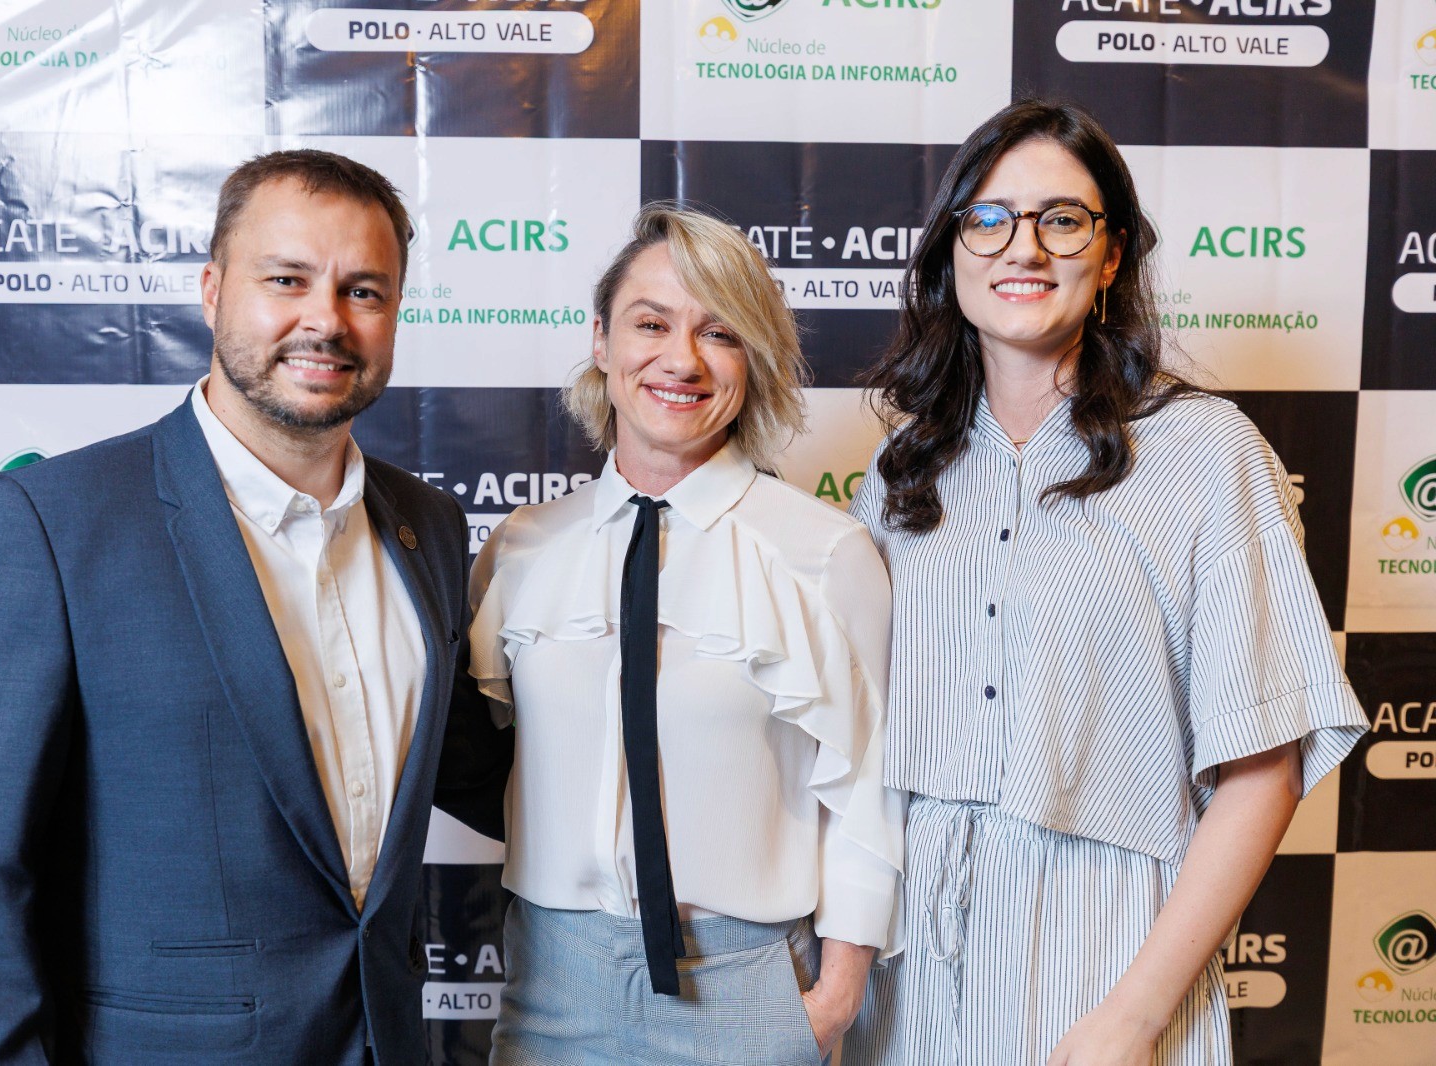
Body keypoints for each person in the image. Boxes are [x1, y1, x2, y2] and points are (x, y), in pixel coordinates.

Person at [0, 149, 509, 1065]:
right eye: (286, 280)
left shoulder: (428, 524)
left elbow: (483, 771)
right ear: (214, 289)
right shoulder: (49, 524)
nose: (325, 321)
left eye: (364, 292)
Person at [841, 100, 1368, 1066]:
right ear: (951, 250)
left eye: (1062, 218)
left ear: (1113, 253)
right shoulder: (900, 474)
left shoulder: (1206, 453)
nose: (1022, 249)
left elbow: (1263, 769)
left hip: (1107, 962)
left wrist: (1131, 1017)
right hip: (906, 973)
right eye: (988, 218)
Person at [468, 204, 906, 1066]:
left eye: (720, 332)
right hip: (551, 987)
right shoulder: (520, 548)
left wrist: (833, 998)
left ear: (756, 359)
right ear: (601, 341)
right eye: (651, 323)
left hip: (748, 988)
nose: (682, 359)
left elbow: (870, 793)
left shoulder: (827, 551)